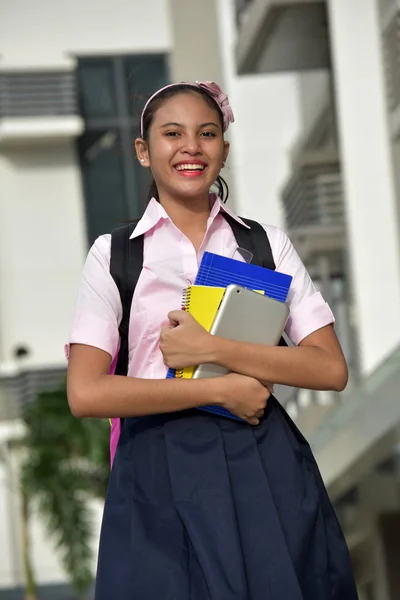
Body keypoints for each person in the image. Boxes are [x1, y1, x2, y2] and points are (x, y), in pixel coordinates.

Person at [66, 81, 358, 599]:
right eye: (171, 133)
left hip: (262, 462)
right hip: (155, 469)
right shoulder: (114, 256)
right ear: (143, 150)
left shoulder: (265, 244)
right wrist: (218, 389)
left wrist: (214, 350)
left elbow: (329, 369)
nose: (191, 147)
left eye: (207, 133)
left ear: (224, 148)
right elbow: (86, 393)